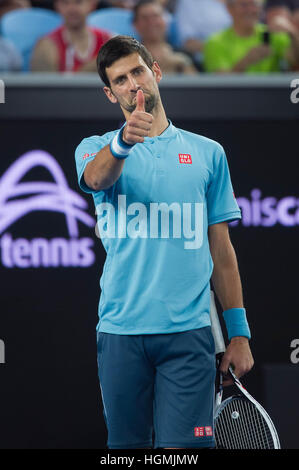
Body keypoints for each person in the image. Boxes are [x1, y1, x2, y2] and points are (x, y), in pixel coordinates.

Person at [75, 35, 254, 449]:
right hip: (121, 333)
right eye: (121, 80)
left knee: (186, 453)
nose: (133, 84)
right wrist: (123, 141)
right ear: (110, 93)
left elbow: (222, 253)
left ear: (156, 72)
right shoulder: (95, 149)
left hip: (189, 335)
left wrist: (239, 333)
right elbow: (98, 178)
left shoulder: (209, 154)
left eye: (138, 71)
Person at [203, 0, 299, 73]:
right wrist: (247, 61)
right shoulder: (215, 42)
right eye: (244, 5)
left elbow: (295, 61)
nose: (251, 10)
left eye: (255, 5)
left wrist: (293, 33)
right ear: (229, 9)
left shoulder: (272, 34)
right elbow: (220, 84)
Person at [30, 0, 112, 72]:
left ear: (92, 4)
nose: (72, 9)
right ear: (57, 6)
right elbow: (44, 88)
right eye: (65, 2)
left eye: (78, 2)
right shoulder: (46, 46)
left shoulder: (108, 40)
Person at [133, 0, 197, 74]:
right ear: (135, 25)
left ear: (165, 21)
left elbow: (196, 83)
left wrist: (184, 66)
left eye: (156, 16)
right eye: (145, 18)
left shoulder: (184, 56)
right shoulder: (129, 58)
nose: (151, 22)